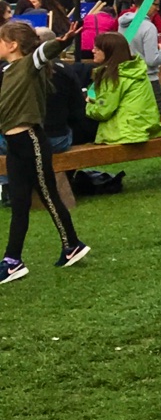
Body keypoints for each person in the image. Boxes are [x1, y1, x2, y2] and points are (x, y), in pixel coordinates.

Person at [0, 23, 90, 281]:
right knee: (19, 202)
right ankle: (12, 260)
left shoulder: (29, 64)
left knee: (49, 196)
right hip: (14, 144)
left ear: (13, 45)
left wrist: (62, 41)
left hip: (31, 141)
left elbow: (44, 52)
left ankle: (72, 245)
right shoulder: (7, 71)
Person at [84, 32, 161, 146]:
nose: (93, 51)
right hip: (147, 128)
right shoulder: (136, 70)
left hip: (126, 133)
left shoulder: (114, 76)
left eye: (97, 48)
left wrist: (89, 103)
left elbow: (102, 112)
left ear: (108, 52)